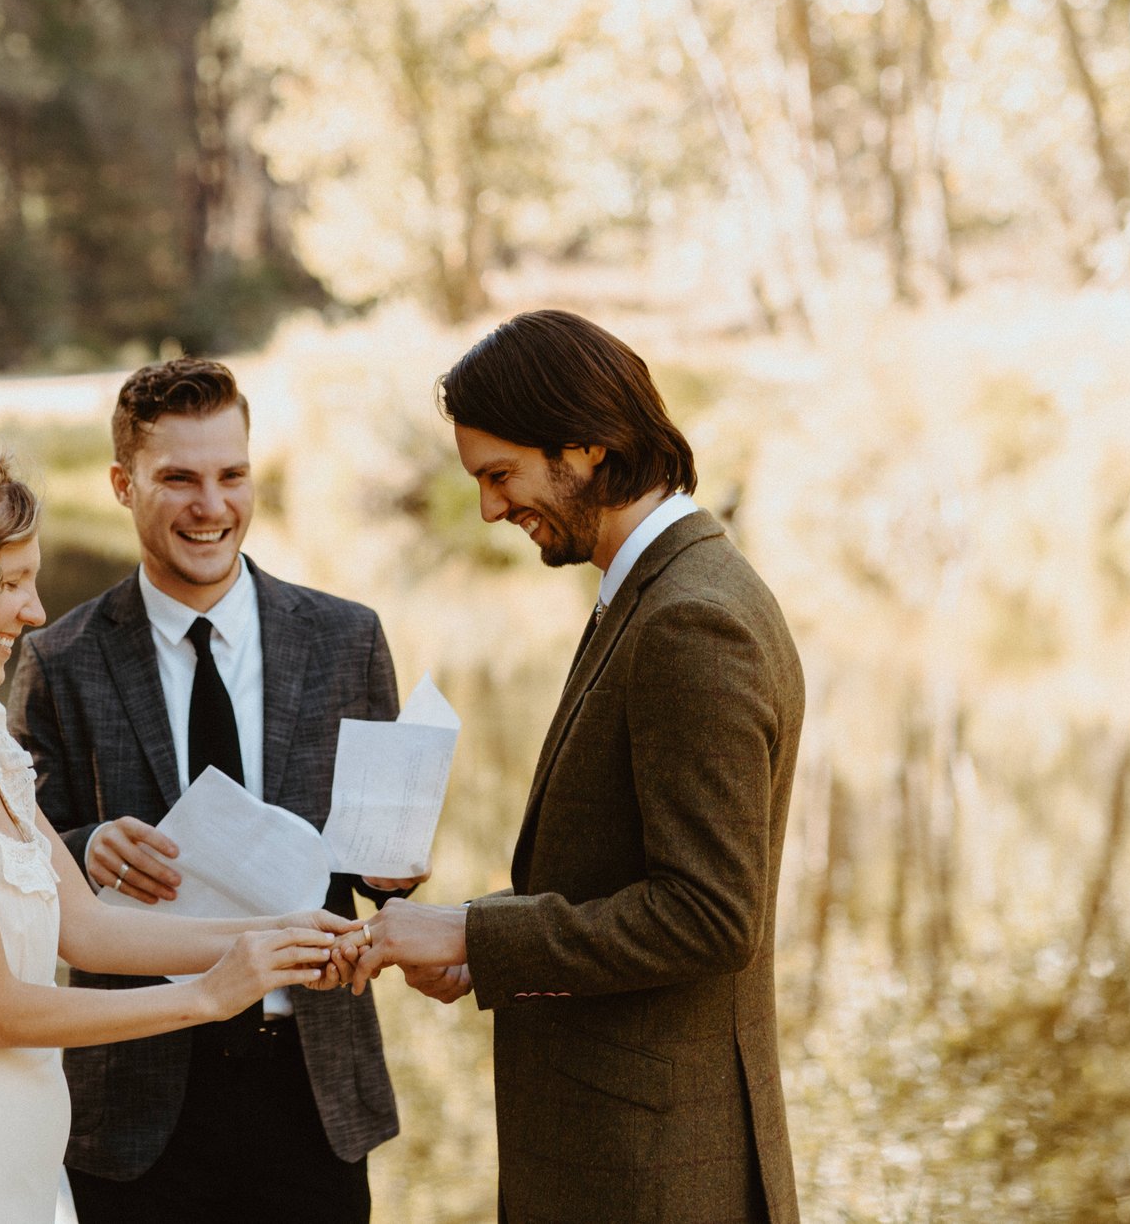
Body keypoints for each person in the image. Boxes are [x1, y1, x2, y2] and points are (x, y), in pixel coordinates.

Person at [0, 440, 356, 1224]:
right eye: (13, 583)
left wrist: (282, 935)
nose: (35, 612)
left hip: (19, 1155)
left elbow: (88, 926)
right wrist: (207, 995)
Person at [345, 311, 806, 1224]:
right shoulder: (658, 588)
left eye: (499, 474)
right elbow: (619, 876)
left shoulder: (690, 619)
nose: (487, 506)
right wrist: (476, 934)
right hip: (627, 1153)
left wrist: (478, 940)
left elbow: (711, 916)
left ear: (589, 444)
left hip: (659, 1173)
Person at [5, 358, 414, 1223]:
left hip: (313, 1088)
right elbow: (8, 864)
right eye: (178, 478)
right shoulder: (58, 662)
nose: (211, 506)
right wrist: (84, 849)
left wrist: (398, 873)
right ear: (123, 484)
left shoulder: (349, 640)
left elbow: (379, 870)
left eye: (231, 475)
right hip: (134, 1096)